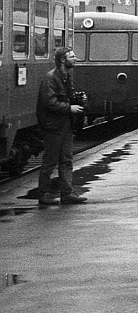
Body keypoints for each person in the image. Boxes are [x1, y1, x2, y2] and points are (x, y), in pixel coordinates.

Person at [36, 48, 87, 205]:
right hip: (53, 125)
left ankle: (67, 193)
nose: (75, 58)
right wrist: (69, 108)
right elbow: (49, 102)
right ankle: (43, 194)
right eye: (72, 56)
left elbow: (65, 98)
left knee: (66, 159)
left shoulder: (65, 77)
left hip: (65, 124)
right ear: (63, 60)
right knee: (50, 161)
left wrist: (78, 99)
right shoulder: (51, 78)